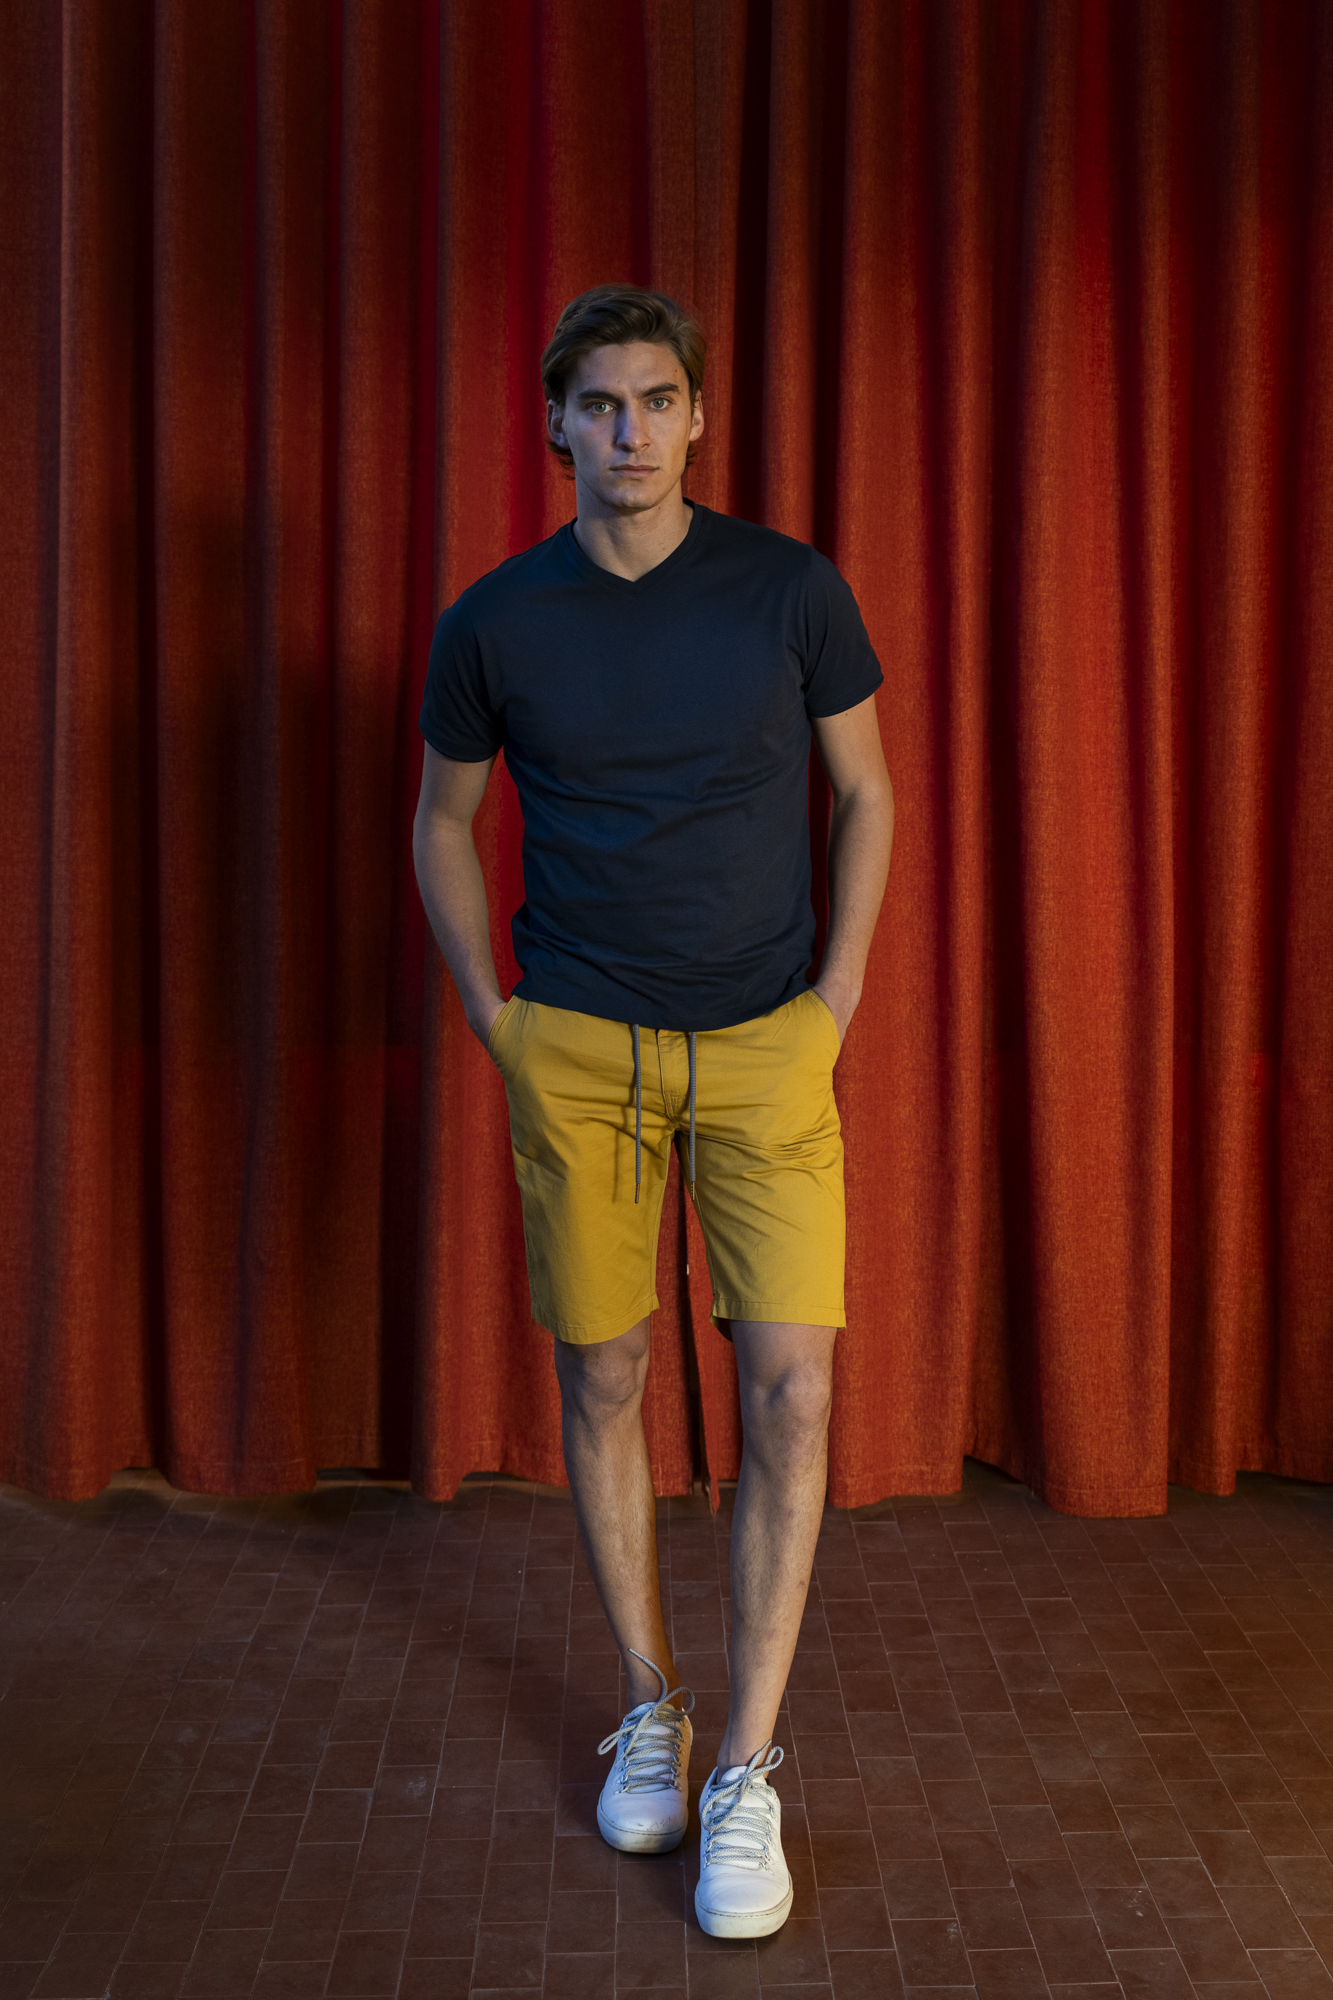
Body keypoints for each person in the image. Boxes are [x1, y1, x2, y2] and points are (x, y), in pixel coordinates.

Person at [412, 284, 893, 1939]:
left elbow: (866, 791)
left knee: (792, 1394)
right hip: (580, 1048)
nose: (631, 429)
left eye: (658, 399)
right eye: (601, 403)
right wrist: (494, 1017)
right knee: (604, 1372)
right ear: (554, 422)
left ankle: (745, 1770)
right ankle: (649, 1707)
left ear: (697, 417)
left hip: (765, 1046)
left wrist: (832, 1002)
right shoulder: (494, 620)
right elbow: (443, 821)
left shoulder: (788, 589)